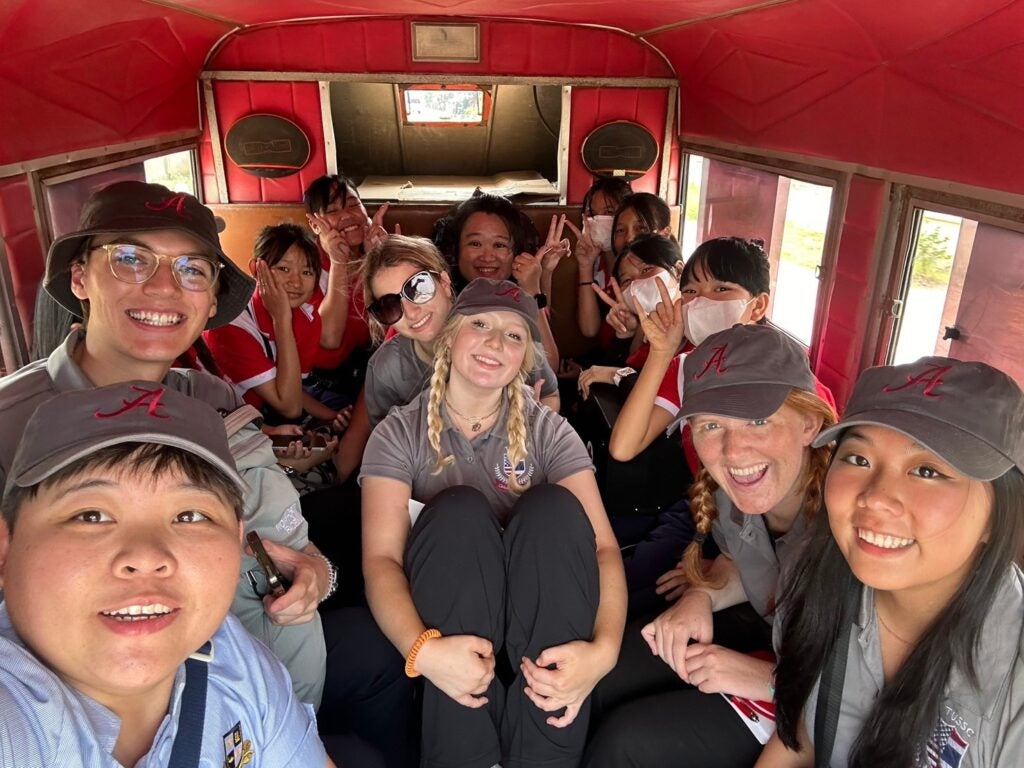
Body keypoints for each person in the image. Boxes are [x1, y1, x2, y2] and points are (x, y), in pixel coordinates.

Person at [0, 181, 410, 765]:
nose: (165, 286)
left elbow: (284, 536)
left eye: (192, 268)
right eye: (131, 258)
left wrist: (319, 574)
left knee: (382, 657)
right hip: (176, 721)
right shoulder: (9, 426)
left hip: (280, 692)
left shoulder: (212, 400)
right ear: (79, 277)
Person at [361, 279, 626, 768]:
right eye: (480, 325)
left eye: (514, 335)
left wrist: (604, 652)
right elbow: (381, 559)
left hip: (542, 621)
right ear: (450, 337)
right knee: (457, 512)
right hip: (455, 624)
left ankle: (544, 753)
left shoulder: (549, 431)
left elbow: (604, 549)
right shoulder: (399, 432)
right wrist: (423, 652)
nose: (495, 342)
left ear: (525, 359)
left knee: (554, 511)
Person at [0, 382, 331, 767]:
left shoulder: (236, 659)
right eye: (91, 516)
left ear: (237, 538)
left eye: (190, 516)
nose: (146, 556)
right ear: (5, 548)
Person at [585, 324, 836, 768]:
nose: (734, 450)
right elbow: (747, 558)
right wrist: (702, 594)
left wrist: (773, 680)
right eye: (712, 424)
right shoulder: (731, 491)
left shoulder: (854, 522)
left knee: (625, 742)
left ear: (810, 424)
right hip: (770, 639)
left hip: (820, 697)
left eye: (759, 420)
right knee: (599, 676)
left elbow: (891, 683)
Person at [760, 357, 1024, 767]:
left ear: (997, 514)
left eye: (927, 470)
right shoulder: (811, 587)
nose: (875, 497)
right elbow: (805, 740)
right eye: (859, 459)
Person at [363, 234, 560, 428]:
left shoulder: (506, 331)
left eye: (418, 287)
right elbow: (385, 436)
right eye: (389, 306)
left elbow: (550, 394)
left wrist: (530, 425)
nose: (412, 312)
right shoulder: (386, 369)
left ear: (445, 282)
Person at [605, 236, 772, 464]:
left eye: (721, 288)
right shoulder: (685, 368)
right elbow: (623, 447)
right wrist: (661, 352)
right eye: (691, 292)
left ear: (758, 306)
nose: (701, 301)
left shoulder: (784, 368)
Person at [204, 223, 349, 429]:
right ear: (256, 269)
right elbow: (289, 407)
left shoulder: (307, 319)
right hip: (214, 421)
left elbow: (292, 388)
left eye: (307, 272)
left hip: (254, 413)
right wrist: (282, 320)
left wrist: (333, 416)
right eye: (283, 269)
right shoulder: (231, 324)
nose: (296, 282)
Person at [434, 192, 568, 371]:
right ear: (457, 249)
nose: (487, 257)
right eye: (475, 244)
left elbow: (549, 367)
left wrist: (532, 290)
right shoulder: (439, 295)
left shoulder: (523, 295)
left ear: (516, 253)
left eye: (499, 245)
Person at [302, 174, 384, 407]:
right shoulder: (306, 265)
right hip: (322, 381)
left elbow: (394, 326)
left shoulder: (376, 248)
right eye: (332, 210)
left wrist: (379, 259)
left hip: (368, 364)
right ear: (315, 225)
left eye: (352, 204)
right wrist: (339, 262)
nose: (347, 215)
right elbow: (329, 339)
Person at [576, 233, 687, 398]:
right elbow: (609, 383)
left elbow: (669, 396)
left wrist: (617, 375)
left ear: (678, 271)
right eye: (627, 281)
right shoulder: (644, 330)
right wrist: (624, 336)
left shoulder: (694, 325)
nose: (637, 284)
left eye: (646, 270)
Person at [567, 177, 632, 341]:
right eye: (592, 214)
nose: (597, 220)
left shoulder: (640, 266)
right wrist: (585, 267)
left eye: (609, 212)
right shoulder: (596, 265)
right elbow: (589, 329)